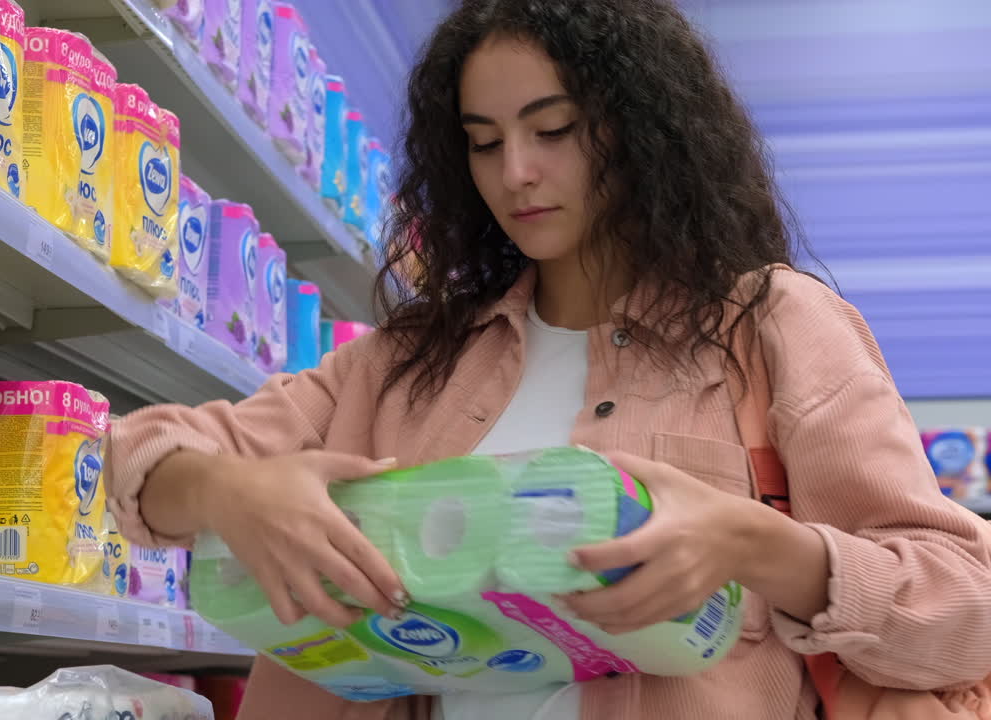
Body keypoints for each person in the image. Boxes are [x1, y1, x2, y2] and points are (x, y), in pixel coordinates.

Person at [105, 0, 991, 718]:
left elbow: (966, 599)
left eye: (553, 129)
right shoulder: (409, 361)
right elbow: (135, 458)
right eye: (483, 143)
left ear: (640, 130)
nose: (515, 173)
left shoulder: (770, 327)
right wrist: (229, 491)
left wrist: (762, 547)